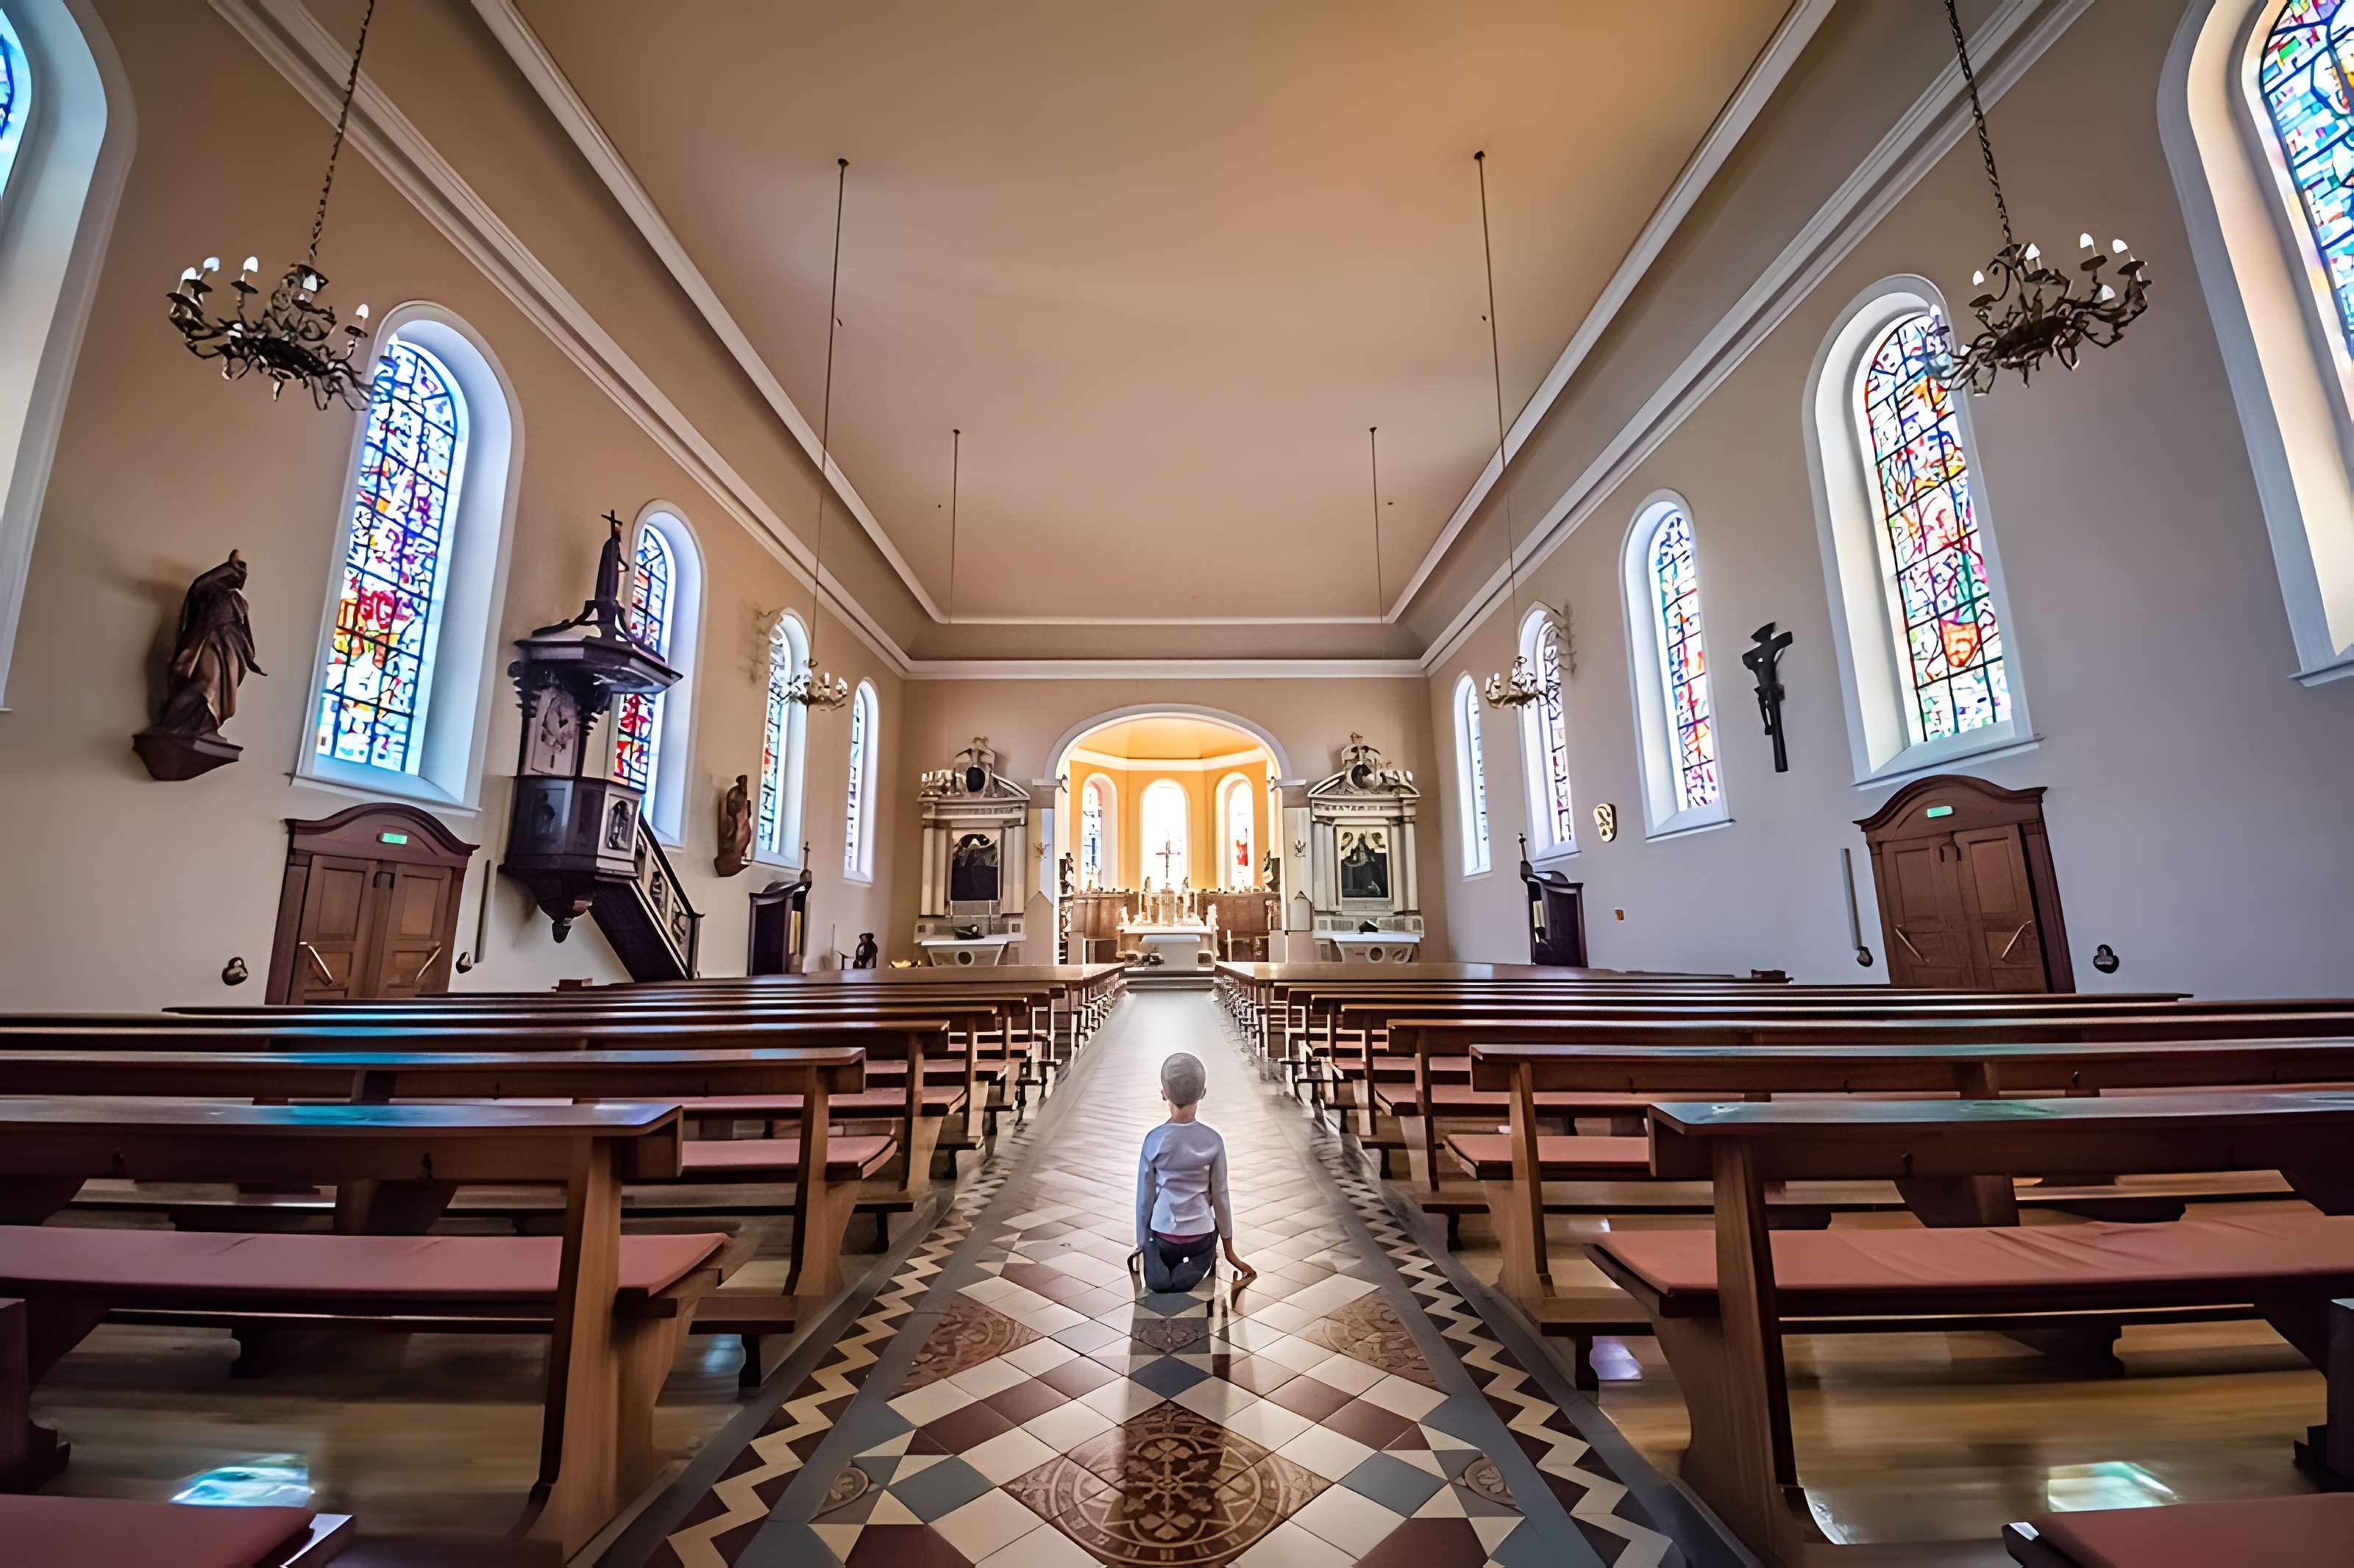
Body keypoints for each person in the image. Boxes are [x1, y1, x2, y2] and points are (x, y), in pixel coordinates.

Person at [1131, 1052, 1256, 1294]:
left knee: (1160, 1281)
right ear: (1203, 1093)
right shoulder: (1213, 1140)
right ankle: (1193, 1269)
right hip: (1201, 1235)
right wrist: (1229, 1251)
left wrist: (1141, 1243)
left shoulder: (1153, 1140)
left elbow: (1144, 1199)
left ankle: (1161, 1270)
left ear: (1163, 1094)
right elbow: (1221, 1197)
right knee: (1193, 1266)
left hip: (1163, 1233)